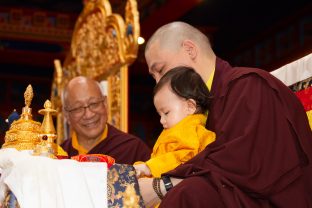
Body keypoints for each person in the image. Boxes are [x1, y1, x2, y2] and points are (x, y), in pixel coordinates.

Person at [138, 21, 312, 207]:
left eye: (160, 70)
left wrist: (164, 185)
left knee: (191, 193)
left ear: (190, 50)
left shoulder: (249, 86)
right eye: (153, 77)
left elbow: (245, 163)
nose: (159, 82)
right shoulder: (191, 112)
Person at [134, 67, 215, 178]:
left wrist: (149, 168)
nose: (161, 120)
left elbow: (183, 157)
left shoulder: (191, 130)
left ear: (190, 107)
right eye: (160, 115)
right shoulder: (177, 129)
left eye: (166, 113)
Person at [61, 76, 151, 164]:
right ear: (67, 115)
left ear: (105, 103)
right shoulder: (59, 157)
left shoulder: (133, 150)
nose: (89, 115)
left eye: (94, 104)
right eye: (78, 108)